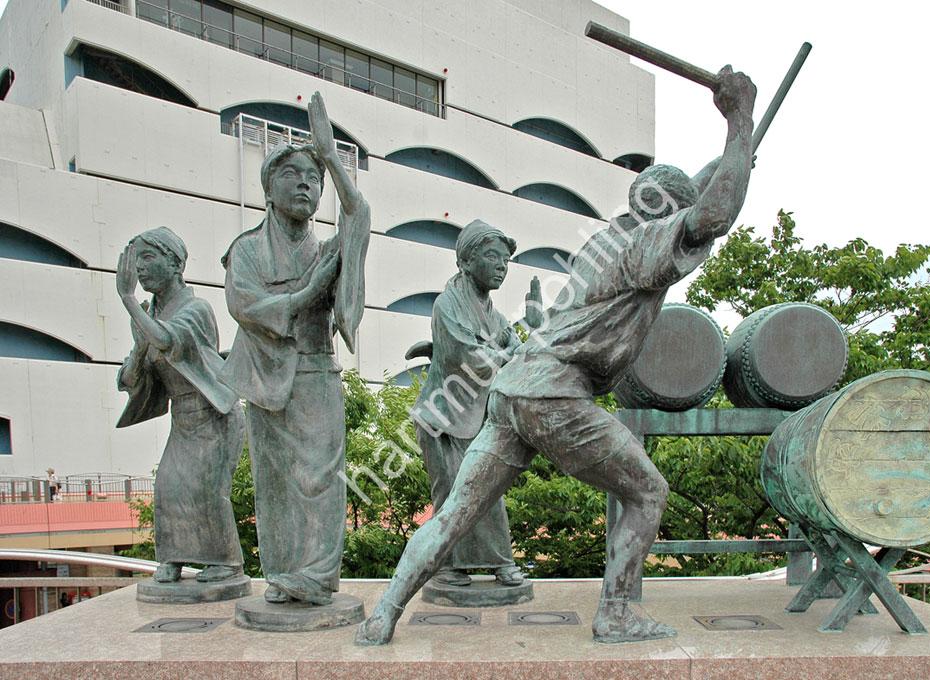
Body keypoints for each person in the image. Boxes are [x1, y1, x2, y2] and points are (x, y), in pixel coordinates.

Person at [356, 66, 756, 645]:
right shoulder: (649, 245)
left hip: (511, 393)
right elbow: (711, 215)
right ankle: (616, 613)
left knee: (455, 514)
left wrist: (736, 153)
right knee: (647, 492)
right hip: (554, 394)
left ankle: (385, 612)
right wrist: (739, 120)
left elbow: (694, 192)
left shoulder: (613, 238)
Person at [218, 92, 370, 606]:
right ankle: (283, 575)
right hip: (267, 380)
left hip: (316, 373)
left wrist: (331, 156)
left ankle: (319, 576)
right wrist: (306, 294)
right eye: (292, 174)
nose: (306, 183)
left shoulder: (327, 248)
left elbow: (358, 214)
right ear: (268, 188)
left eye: (314, 177)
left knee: (321, 479)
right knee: (275, 483)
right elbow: (245, 305)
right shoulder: (246, 250)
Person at [115, 227, 245, 584]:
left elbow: (168, 341)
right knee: (169, 487)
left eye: (148, 257)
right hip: (182, 419)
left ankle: (226, 563)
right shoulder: (149, 315)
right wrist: (136, 353)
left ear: (175, 264)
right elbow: (132, 375)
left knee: (207, 491)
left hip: (214, 416)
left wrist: (127, 299)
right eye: (136, 260)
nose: (139, 268)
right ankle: (173, 557)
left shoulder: (196, 309)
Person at [410, 220, 525, 588]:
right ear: (465, 261)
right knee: (449, 495)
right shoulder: (447, 305)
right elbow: (468, 357)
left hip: (478, 418)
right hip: (441, 419)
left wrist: (509, 349)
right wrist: (503, 352)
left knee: (488, 490)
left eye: (505, 260)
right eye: (492, 256)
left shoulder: (495, 316)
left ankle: (499, 562)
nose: (501, 265)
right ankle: (445, 565)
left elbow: (517, 351)